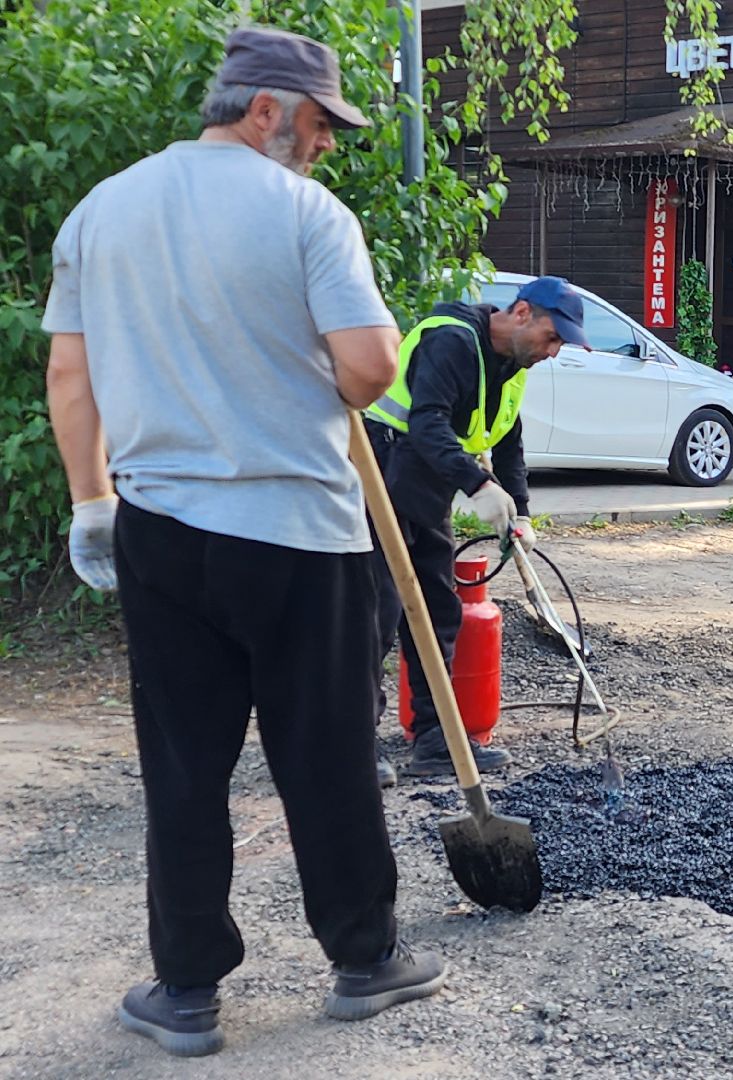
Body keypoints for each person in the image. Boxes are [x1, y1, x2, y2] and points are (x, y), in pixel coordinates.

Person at [43, 26, 447, 1057]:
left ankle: (185, 994)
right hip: (299, 536)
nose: (322, 145)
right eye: (317, 124)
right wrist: (311, 361)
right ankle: (364, 961)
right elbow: (368, 369)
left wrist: (93, 506)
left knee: (182, 766)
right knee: (327, 755)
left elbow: (71, 380)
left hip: (162, 532)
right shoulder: (308, 214)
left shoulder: (103, 211)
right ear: (265, 109)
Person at [364, 275, 587, 780]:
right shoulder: (451, 340)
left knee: (439, 612)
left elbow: (508, 441)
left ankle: (435, 742)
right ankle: (352, 746)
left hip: (427, 485)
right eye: (553, 337)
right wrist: (479, 485)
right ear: (523, 313)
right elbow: (426, 423)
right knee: (374, 615)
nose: (554, 352)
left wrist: (522, 513)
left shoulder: (513, 365)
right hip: (381, 474)